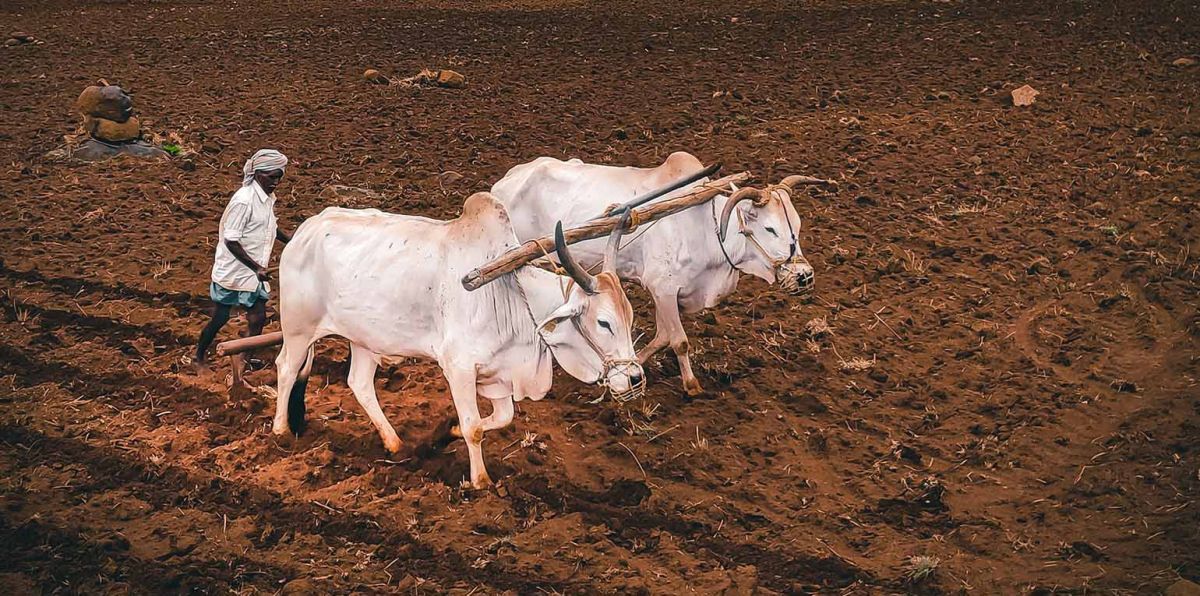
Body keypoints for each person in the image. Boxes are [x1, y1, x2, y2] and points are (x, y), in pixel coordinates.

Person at [194, 149, 292, 370]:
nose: (276, 182)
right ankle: (199, 355)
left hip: (254, 271)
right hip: (235, 269)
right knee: (220, 318)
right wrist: (256, 267)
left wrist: (292, 241)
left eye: (279, 176)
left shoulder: (267, 198)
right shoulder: (244, 201)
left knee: (258, 318)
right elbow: (231, 240)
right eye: (271, 176)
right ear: (258, 174)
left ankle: (243, 361)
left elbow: (271, 227)